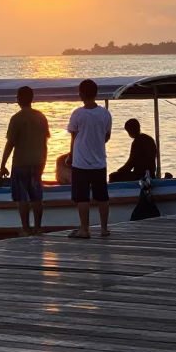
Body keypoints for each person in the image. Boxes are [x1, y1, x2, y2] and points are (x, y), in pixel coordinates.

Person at [0, 85, 49, 236]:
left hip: (20, 163)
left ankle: (26, 228)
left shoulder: (16, 119)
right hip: (37, 161)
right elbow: (45, 143)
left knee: (22, 197)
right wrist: (44, 162)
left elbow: (10, 143)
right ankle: (38, 227)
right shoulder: (41, 117)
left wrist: (2, 165)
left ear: (19, 100)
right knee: (36, 197)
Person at [66, 79, 112, 238]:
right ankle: (104, 229)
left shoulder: (78, 114)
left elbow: (73, 137)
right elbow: (107, 136)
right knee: (102, 197)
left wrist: (70, 156)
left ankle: (84, 229)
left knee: (82, 197)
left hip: (80, 162)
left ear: (82, 93)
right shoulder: (105, 113)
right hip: (99, 161)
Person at [110, 118, 160, 183]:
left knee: (113, 176)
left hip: (140, 175)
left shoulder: (137, 142)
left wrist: (120, 171)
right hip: (151, 173)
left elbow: (131, 163)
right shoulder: (150, 139)